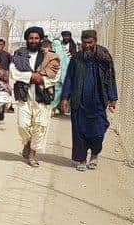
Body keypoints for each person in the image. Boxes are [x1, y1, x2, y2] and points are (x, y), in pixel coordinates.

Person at [61, 30, 118, 171]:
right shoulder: (77, 58)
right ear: (81, 42)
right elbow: (69, 78)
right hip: (79, 102)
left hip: (98, 102)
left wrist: (113, 97)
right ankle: (81, 159)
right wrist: (64, 97)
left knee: (98, 131)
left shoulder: (104, 57)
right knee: (79, 132)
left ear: (95, 41)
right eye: (85, 43)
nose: (87, 46)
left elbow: (110, 78)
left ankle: (94, 154)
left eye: (90, 43)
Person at [10, 26, 61, 167]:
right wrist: (32, 76)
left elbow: (56, 76)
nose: (33, 40)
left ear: (41, 39)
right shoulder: (19, 54)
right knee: (22, 125)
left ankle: (32, 154)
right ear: (27, 39)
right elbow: (14, 73)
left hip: (42, 95)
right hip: (24, 93)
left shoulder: (50, 56)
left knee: (40, 125)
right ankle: (27, 142)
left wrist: (42, 80)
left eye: (36, 38)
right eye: (31, 38)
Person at [50, 38, 71, 114]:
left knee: (56, 93)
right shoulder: (65, 53)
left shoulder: (53, 53)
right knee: (60, 93)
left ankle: (52, 108)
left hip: (57, 77)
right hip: (64, 77)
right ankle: (59, 108)